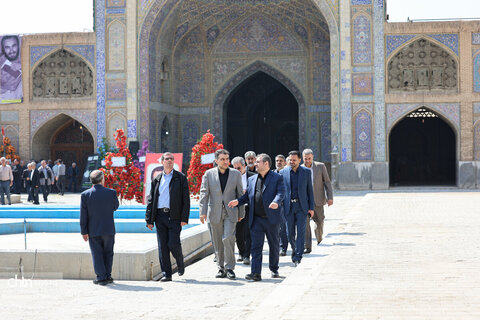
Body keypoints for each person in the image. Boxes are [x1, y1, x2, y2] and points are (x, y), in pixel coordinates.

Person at [229, 153, 285, 281]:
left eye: (258, 162)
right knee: (256, 246)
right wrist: (238, 201)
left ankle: (274, 269)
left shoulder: (277, 178)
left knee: (274, 245)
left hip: (271, 218)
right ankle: (255, 273)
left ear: (266, 164)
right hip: (257, 219)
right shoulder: (252, 179)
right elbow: (247, 196)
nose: (255, 164)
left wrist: (276, 201)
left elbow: (281, 192)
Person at [199, 149, 244, 280]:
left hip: (231, 212)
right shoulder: (208, 174)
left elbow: (240, 194)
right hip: (214, 212)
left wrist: (241, 212)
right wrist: (202, 212)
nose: (225, 161)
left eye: (227, 159)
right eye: (222, 159)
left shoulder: (235, 174)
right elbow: (204, 193)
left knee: (228, 237)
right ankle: (221, 268)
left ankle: (230, 267)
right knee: (218, 241)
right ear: (216, 161)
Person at [145, 152, 190, 282]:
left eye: (171, 159)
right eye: (167, 159)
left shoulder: (180, 178)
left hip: (174, 216)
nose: (169, 161)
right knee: (162, 246)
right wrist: (149, 219)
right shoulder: (157, 179)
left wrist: (184, 218)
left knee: (173, 243)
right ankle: (167, 274)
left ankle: (180, 261)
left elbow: (185, 199)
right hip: (160, 216)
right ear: (162, 162)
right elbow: (151, 199)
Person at [80, 170, 119, 286]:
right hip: (108, 229)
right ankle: (107, 275)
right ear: (102, 179)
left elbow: (83, 215)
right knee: (108, 253)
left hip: (93, 230)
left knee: (97, 254)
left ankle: (101, 277)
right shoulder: (111, 192)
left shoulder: (85, 195)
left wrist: (84, 231)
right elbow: (115, 207)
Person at [279, 151, 314, 266]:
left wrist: (311, 207)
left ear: (299, 160)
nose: (292, 162)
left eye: (294, 160)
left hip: (301, 207)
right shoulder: (283, 172)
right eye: (290, 160)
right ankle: (294, 250)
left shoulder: (306, 172)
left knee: (301, 232)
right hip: (288, 207)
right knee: (289, 233)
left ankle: (298, 256)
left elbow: (310, 191)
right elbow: (280, 190)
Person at [302, 149, 333, 252]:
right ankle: (308, 246)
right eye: (305, 159)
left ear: (313, 157)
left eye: (309, 158)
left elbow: (327, 182)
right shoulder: (300, 169)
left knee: (319, 221)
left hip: (318, 199)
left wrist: (330, 197)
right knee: (305, 224)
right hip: (305, 201)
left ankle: (319, 240)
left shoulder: (320, 166)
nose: (307, 161)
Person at [231, 156, 256, 265]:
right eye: (234, 168)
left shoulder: (253, 176)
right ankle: (241, 252)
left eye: (239, 168)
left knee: (248, 232)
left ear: (244, 166)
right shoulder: (230, 177)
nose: (237, 170)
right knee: (238, 233)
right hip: (237, 208)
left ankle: (247, 255)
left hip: (249, 208)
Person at [275, 154, 289, 256]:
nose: (279, 163)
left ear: (284, 162)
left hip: (285, 204)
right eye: (277, 161)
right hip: (274, 204)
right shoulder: (271, 174)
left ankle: (283, 247)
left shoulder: (287, 174)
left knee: (283, 227)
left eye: (281, 161)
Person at [0, 35, 22, 101]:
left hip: (20, 100)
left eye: (14, 46)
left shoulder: (24, 58)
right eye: (7, 47)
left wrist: (22, 66)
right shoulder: (1, 60)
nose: (11, 50)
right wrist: (5, 87)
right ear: (3, 49)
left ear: (18, 46)